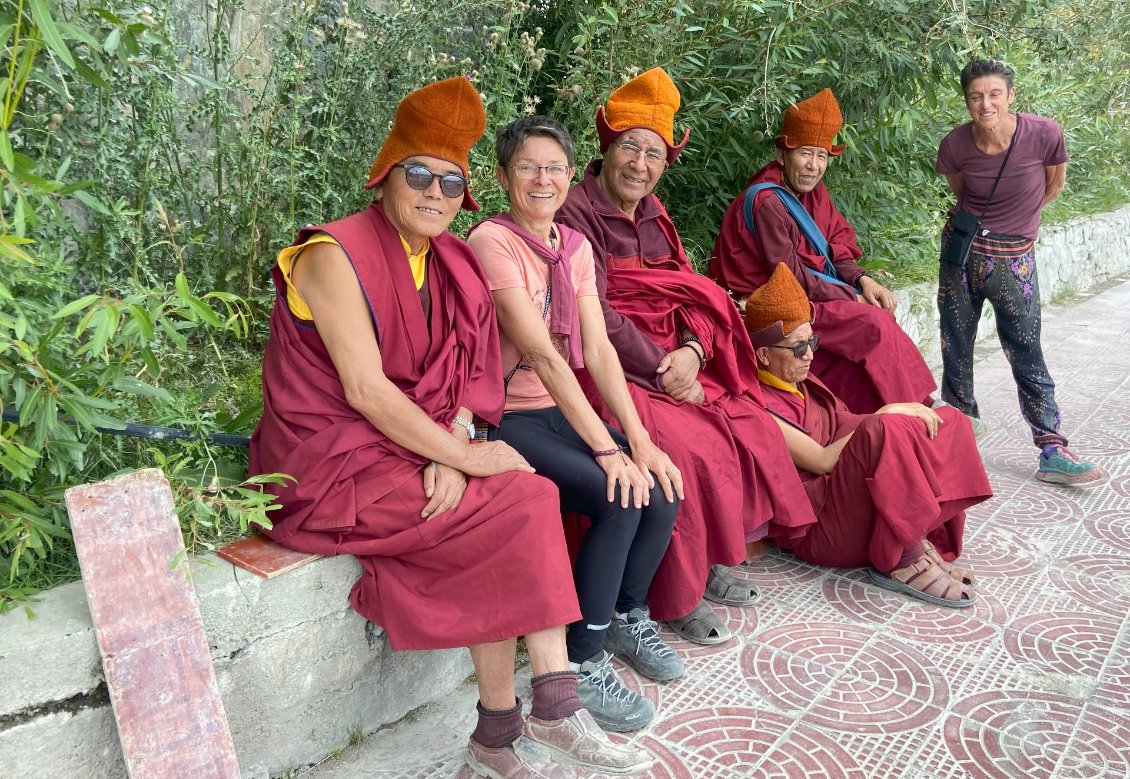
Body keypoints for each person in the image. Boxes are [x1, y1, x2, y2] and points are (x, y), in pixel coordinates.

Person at [248, 77, 652, 778]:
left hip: (407, 447)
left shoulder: (449, 261)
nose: (435, 193)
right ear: (385, 175)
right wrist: (458, 455)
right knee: (516, 501)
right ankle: (527, 719)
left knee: (524, 497)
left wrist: (457, 440)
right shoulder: (331, 254)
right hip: (329, 465)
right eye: (420, 175)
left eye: (450, 181)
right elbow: (367, 389)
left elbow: (466, 373)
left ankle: (519, 721)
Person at [555, 67, 817, 645]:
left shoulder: (655, 213)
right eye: (631, 147)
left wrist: (696, 352)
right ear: (607, 145)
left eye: (654, 154)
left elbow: (694, 293)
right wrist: (661, 368)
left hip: (675, 362)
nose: (641, 165)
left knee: (742, 420)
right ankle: (674, 593)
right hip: (610, 367)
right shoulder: (575, 211)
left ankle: (706, 558)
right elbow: (593, 312)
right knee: (685, 445)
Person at [466, 115, 684, 733]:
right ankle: (582, 661)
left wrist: (639, 442)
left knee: (661, 484)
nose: (543, 179)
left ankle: (621, 616)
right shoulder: (493, 242)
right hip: (508, 417)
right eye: (528, 167)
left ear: (570, 175)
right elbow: (538, 352)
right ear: (506, 175)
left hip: (556, 410)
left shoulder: (575, 247)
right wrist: (608, 453)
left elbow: (602, 349)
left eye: (555, 168)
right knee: (617, 494)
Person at [744, 263, 993, 606]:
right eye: (799, 347)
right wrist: (884, 414)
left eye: (812, 341)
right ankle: (903, 560)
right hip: (818, 527)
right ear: (763, 354)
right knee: (884, 426)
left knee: (944, 419)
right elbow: (821, 459)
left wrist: (904, 422)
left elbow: (844, 423)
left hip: (843, 502)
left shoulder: (802, 386)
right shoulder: (755, 406)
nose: (811, 355)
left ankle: (913, 536)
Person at [710, 88, 938, 414]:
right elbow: (790, 278)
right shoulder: (769, 202)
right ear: (782, 154)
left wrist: (863, 282)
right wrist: (850, 298)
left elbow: (838, 250)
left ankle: (906, 408)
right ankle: (913, 409)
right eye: (805, 153)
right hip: (771, 306)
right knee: (873, 324)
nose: (813, 165)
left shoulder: (814, 194)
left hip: (806, 296)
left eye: (821, 156)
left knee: (875, 315)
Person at [936, 58, 1103, 486]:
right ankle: (959, 441)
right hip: (963, 257)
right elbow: (963, 193)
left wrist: (1018, 228)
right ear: (967, 101)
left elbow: (1054, 185)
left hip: (1016, 261)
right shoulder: (955, 144)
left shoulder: (1044, 134)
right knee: (956, 345)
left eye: (994, 94)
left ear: (1011, 96)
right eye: (976, 96)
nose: (985, 103)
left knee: (1027, 350)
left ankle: (1051, 448)